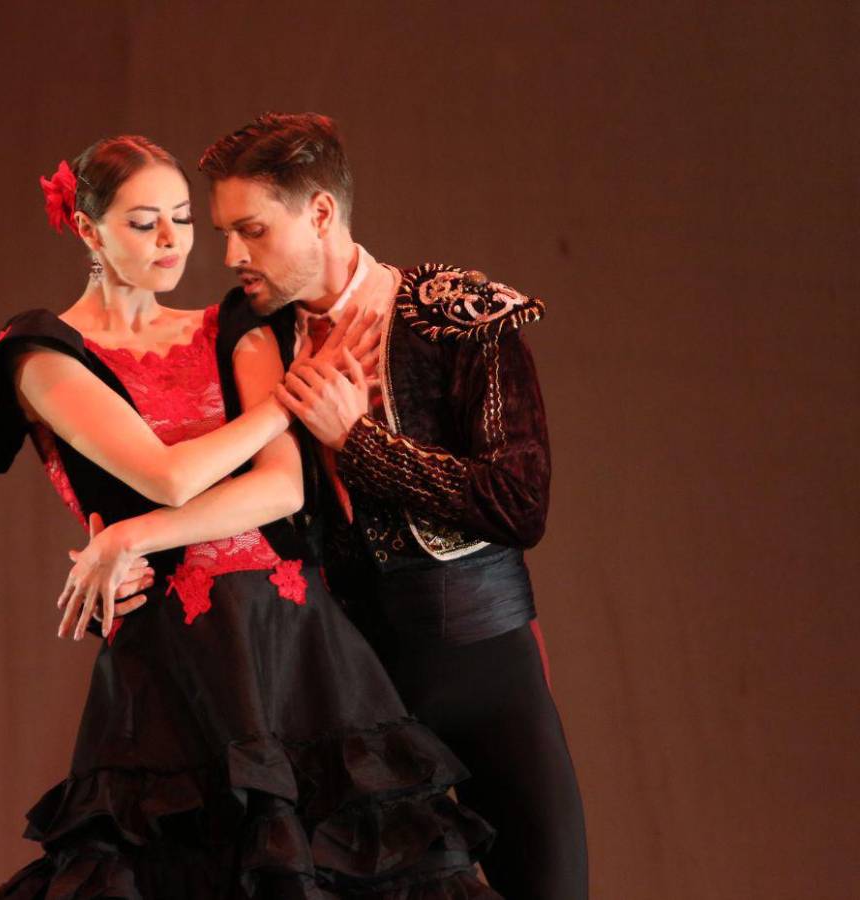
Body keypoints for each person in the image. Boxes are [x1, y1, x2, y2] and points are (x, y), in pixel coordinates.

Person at [0, 134, 499, 898]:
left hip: (297, 645)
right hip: (174, 657)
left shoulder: (231, 325)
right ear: (87, 229)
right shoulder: (41, 352)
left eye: (182, 218)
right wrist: (291, 400)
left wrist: (129, 534)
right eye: (144, 222)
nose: (173, 240)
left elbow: (282, 490)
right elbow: (167, 475)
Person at [186, 113, 591, 900]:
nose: (232, 255)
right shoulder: (251, 335)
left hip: (484, 661)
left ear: (321, 213)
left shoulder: (455, 313)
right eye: (225, 233)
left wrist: (359, 443)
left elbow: (519, 502)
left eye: (252, 230)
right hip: (347, 688)